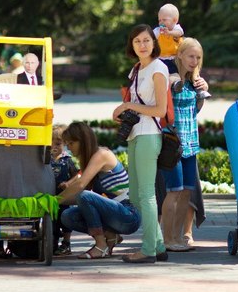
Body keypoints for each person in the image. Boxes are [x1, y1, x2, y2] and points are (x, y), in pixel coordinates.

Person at [112, 24, 170, 263]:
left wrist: (129, 106)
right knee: (135, 195)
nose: (142, 45)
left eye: (146, 40)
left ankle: (147, 251)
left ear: (153, 43)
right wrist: (122, 110)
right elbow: (133, 102)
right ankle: (158, 245)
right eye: (137, 41)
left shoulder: (158, 68)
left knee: (146, 194)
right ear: (132, 45)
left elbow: (159, 110)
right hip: (135, 134)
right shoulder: (136, 69)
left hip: (149, 134)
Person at [58, 122, 141, 259]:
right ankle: (110, 236)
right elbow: (84, 201)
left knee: (84, 195)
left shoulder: (102, 154)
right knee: (67, 215)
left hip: (129, 214)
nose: (68, 147)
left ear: (82, 141)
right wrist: (57, 201)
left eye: (71, 143)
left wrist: (56, 200)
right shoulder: (90, 160)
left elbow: (81, 185)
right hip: (113, 214)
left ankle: (101, 245)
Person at [160, 38, 209, 252]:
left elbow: (195, 110)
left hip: (191, 144)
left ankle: (179, 237)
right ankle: (167, 238)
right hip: (173, 143)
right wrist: (178, 82)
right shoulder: (171, 77)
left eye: (198, 58)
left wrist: (202, 91)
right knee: (174, 191)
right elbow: (172, 88)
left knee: (187, 193)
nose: (194, 61)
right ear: (179, 55)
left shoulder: (193, 80)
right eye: (191, 56)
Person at [50, 125, 79, 255]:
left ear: (65, 144)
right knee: (52, 220)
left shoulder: (67, 160)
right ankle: (52, 242)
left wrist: (68, 183)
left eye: (57, 144)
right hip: (50, 195)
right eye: (50, 143)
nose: (53, 147)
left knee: (65, 219)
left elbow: (76, 175)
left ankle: (66, 242)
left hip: (64, 196)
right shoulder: (46, 160)